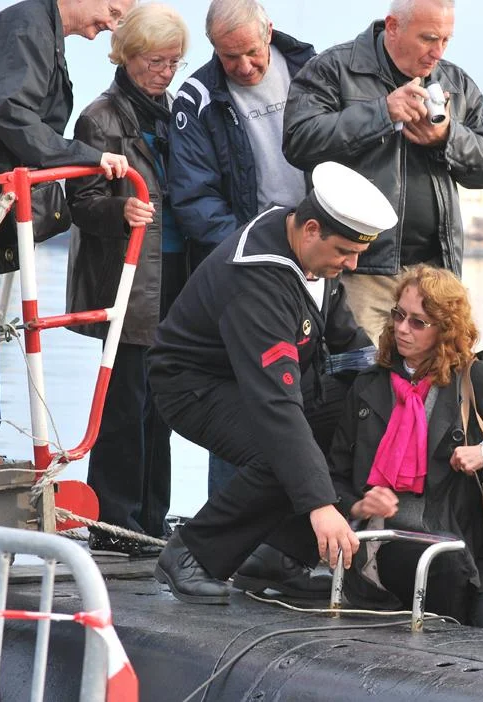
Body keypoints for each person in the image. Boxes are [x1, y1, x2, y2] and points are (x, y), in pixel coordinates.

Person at [147, 161, 397, 604]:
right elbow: (276, 409)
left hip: (262, 382)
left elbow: (348, 343)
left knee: (360, 409)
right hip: (194, 385)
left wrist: (396, 385)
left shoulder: (308, 248)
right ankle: (191, 554)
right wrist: (322, 505)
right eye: (345, 251)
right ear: (312, 229)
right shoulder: (257, 282)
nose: (353, 264)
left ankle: (279, 554)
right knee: (277, 453)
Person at [328, 265, 483, 631]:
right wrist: (357, 504)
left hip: (471, 551)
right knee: (442, 569)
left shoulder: (476, 379)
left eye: (418, 322)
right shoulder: (368, 386)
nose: (401, 328)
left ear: (445, 330)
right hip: (390, 545)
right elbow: (332, 475)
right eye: (399, 315)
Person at [0, 0, 134, 471]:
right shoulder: (29, 25)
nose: (112, 24)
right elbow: (12, 114)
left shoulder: (36, 30)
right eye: (112, 9)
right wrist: (90, 156)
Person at [283, 0, 483, 343]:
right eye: (428, 38)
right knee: (364, 380)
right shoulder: (334, 68)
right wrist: (381, 114)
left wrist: (447, 137)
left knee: (439, 385)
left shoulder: (455, 83)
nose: (437, 51)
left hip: (435, 273)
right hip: (361, 270)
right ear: (392, 26)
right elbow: (298, 141)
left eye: (446, 40)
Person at [167, 0, 317, 495]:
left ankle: (303, 519)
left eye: (251, 52)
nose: (244, 66)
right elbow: (194, 197)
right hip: (249, 262)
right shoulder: (197, 98)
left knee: (316, 387)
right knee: (246, 391)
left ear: (268, 32)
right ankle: (231, 532)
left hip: (321, 252)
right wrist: (256, 251)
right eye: (229, 58)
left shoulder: (312, 70)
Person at [64, 3, 189, 556]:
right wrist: (121, 212)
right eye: (158, 61)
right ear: (129, 56)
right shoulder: (100, 117)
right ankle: (116, 521)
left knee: (160, 405)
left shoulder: (177, 111)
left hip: (176, 279)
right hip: (131, 282)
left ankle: (152, 520)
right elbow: (80, 200)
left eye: (175, 63)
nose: (166, 72)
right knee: (125, 405)